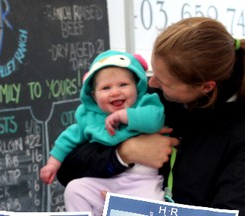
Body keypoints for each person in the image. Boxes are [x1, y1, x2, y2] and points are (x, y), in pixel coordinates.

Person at [57, 17, 245, 216]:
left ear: (206, 86)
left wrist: (135, 210)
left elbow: (234, 210)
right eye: (153, 72)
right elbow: (67, 169)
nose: (151, 84)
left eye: (163, 81)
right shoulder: (152, 101)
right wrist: (124, 153)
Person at [40, 50, 172, 215]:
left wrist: (125, 116)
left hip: (143, 181)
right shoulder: (90, 118)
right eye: (106, 88)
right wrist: (52, 164)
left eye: (123, 85)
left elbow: (154, 121)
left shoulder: (145, 103)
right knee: (75, 190)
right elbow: (67, 140)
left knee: (153, 207)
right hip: (106, 180)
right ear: (94, 96)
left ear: (137, 87)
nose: (115, 92)